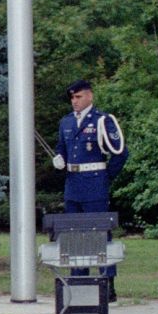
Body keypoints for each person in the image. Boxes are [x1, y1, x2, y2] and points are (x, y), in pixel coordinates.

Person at [52, 79, 128, 301]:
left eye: (79, 97)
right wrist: (59, 158)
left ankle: (107, 282)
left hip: (95, 182)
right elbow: (62, 147)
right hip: (73, 184)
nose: (74, 101)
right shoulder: (66, 122)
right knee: (73, 234)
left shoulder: (102, 121)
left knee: (100, 233)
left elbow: (121, 153)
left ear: (90, 96)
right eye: (72, 98)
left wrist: (105, 177)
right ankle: (78, 281)